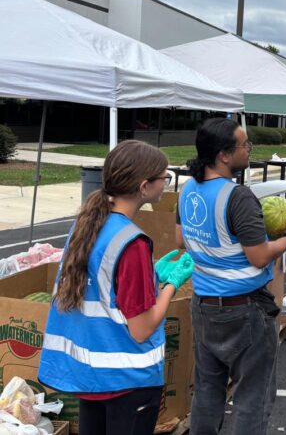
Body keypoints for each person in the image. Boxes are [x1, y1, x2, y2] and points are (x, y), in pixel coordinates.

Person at [38, 140, 195, 435]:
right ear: (144, 186)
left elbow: (102, 287)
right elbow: (142, 328)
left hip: (91, 378)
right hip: (128, 381)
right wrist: (170, 286)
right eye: (165, 178)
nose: (167, 184)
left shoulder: (87, 225)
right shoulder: (132, 242)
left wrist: (151, 276)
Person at [176, 118, 286, 435]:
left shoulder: (188, 190)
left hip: (204, 305)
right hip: (244, 310)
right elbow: (258, 256)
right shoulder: (238, 197)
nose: (249, 149)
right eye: (245, 144)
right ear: (224, 155)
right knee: (252, 396)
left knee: (207, 390)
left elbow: (180, 240)